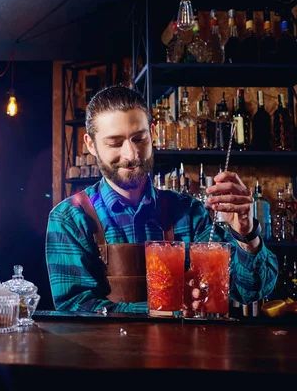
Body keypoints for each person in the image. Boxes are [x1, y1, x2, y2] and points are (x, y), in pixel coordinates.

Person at [45, 85, 278, 313]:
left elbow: (247, 291)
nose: (131, 155)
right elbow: (74, 307)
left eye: (139, 139)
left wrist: (247, 234)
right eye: (115, 143)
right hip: (107, 352)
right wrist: (167, 308)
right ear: (91, 145)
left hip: (183, 352)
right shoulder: (70, 219)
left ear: (153, 133)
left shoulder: (189, 213)